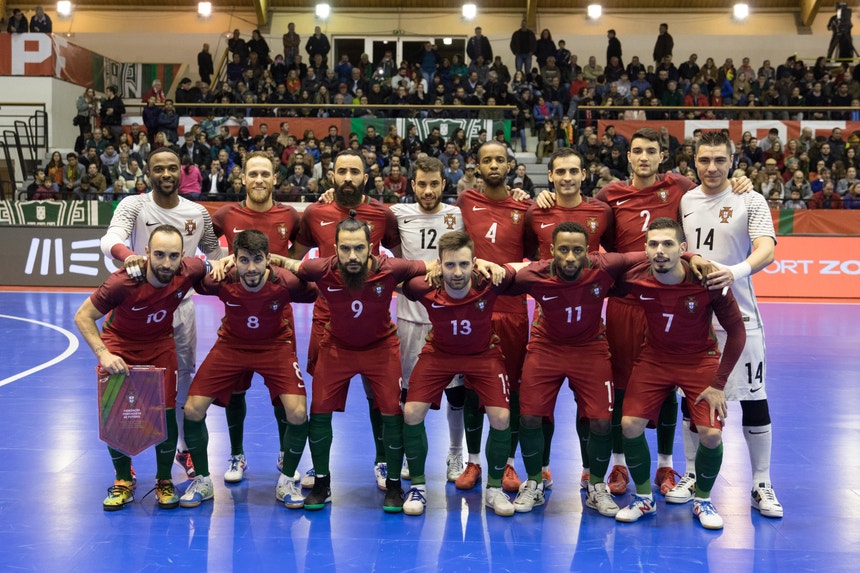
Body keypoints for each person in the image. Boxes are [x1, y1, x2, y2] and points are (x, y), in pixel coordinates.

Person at [278, 215, 433, 513]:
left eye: (359, 248)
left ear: (372, 248)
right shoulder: (319, 268)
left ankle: (393, 485)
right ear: (334, 248)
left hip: (381, 349)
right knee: (319, 412)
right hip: (337, 348)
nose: (352, 256)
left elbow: (431, 266)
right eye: (345, 249)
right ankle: (322, 483)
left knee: (391, 413)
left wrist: (482, 265)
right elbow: (289, 265)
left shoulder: (391, 268)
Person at [672, 130, 783, 519]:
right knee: (694, 397)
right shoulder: (685, 199)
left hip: (742, 315)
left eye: (720, 160)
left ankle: (761, 482)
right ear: (694, 161)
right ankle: (689, 474)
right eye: (704, 160)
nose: (712, 167)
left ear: (732, 161)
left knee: (754, 397)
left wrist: (733, 272)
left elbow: (767, 248)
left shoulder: (750, 198)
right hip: (695, 318)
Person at [614, 218, 746, 530]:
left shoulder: (708, 279)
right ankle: (644, 497)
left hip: (699, 360)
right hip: (654, 359)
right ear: (645, 249)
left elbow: (737, 332)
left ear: (683, 249)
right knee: (629, 426)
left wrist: (718, 384)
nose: (660, 251)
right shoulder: (635, 277)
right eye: (653, 244)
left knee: (711, 435)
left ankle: (703, 500)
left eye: (668, 244)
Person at [100, 148, 224, 481]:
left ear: (181, 172)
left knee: (182, 379)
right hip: (137, 306)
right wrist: (129, 256)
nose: (166, 174)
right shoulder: (134, 205)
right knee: (130, 383)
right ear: (148, 172)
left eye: (172, 168)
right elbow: (109, 239)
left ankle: (182, 450)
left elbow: (215, 254)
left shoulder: (197, 212)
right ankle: (130, 451)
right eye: (159, 169)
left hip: (180, 307)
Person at [75, 225, 217, 511]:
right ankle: (123, 479)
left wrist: (225, 263)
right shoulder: (122, 282)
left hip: (160, 346)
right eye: (160, 254)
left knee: (164, 415)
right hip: (120, 345)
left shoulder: (188, 270)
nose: (166, 263)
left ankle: (163, 480)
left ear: (183, 256)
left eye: (174, 256)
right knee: (115, 415)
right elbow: (83, 316)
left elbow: (213, 264)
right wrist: (103, 354)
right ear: (147, 253)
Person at [179, 230, 318, 509]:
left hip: (275, 346)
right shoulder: (221, 280)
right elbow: (190, 271)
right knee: (192, 409)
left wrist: (292, 266)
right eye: (244, 260)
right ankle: (204, 481)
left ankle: (288, 478)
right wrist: (211, 263)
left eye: (257, 260)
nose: (251, 268)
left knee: (298, 412)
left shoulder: (285, 282)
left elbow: (312, 291)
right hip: (231, 345)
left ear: (268, 259)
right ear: (234, 260)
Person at [290, 150, 401, 491]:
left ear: (366, 177)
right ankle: (318, 468)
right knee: (322, 399)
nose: (348, 177)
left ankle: (383, 460)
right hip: (327, 317)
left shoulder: (383, 214)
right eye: (342, 171)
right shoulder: (314, 212)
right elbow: (295, 260)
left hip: (372, 316)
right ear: (332, 176)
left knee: (377, 394)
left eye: (355, 171)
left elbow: (398, 257)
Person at [400, 231, 518, 516]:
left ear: (474, 263)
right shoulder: (423, 287)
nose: (457, 272)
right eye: (450, 265)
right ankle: (418, 487)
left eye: (464, 265)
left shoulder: (490, 282)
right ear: (439, 265)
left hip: (483, 354)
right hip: (439, 353)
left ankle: (493, 489)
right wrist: (422, 268)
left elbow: (527, 267)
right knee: (412, 411)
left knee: (502, 417)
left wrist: (494, 264)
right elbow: (395, 278)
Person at [456, 141, 535, 494]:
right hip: (473, 309)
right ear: (477, 166)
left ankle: (506, 463)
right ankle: (473, 460)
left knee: (512, 390)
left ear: (510, 165)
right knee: (473, 390)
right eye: (486, 160)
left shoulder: (526, 208)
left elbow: (534, 259)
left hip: (512, 310)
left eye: (499, 160)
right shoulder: (464, 201)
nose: (493, 165)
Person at [389, 157, 468, 484]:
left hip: (449, 319)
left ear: (443, 184)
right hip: (411, 320)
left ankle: (455, 453)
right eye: (421, 183)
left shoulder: (457, 215)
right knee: (408, 393)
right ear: (412, 184)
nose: (428, 190)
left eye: (434, 183)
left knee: (457, 393)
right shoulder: (396, 214)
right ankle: (412, 454)